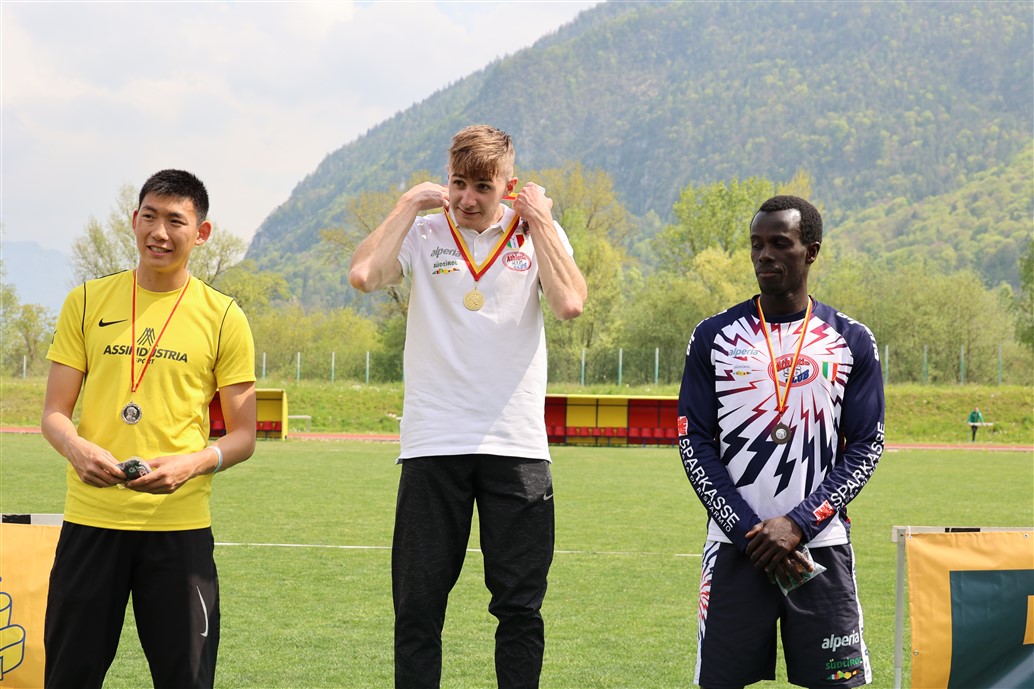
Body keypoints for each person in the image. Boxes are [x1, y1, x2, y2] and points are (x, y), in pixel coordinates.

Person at [349, 124, 586, 689]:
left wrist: (541, 220)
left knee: (519, 607)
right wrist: (408, 203)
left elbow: (570, 303)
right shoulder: (423, 230)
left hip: (516, 446)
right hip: (434, 443)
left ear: (509, 186)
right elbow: (363, 276)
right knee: (418, 606)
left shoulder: (537, 233)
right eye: (458, 183)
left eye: (483, 186)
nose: (467, 199)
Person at [41, 169, 257, 689]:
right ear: (134, 220)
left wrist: (193, 463)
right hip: (92, 522)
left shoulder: (224, 317)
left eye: (175, 221)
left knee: (187, 679)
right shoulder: (86, 301)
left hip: (178, 528)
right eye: (149, 217)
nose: (159, 233)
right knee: (69, 676)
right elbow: (53, 414)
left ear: (201, 233)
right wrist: (75, 448)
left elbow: (244, 435)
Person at [677, 195, 884, 689]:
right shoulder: (714, 336)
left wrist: (798, 523)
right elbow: (693, 441)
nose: (763, 255)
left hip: (820, 549)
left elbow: (866, 445)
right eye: (756, 244)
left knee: (838, 683)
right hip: (735, 549)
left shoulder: (851, 339)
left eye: (779, 243)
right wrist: (748, 530)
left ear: (811, 251)